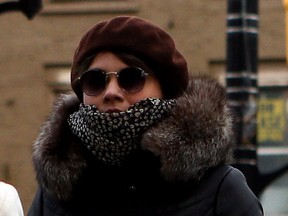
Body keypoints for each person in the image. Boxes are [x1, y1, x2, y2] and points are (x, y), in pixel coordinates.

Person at [27, 16, 263, 215]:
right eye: (95, 81)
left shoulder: (220, 189)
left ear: (165, 89)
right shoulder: (54, 194)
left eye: (131, 78)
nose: (111, 92)